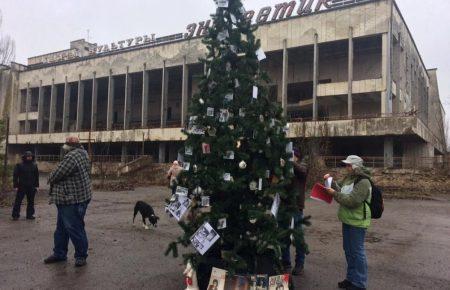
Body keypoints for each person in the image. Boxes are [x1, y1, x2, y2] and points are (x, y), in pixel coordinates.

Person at [323, 155, 372, 290]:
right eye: (346, 165)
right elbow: (341, 191)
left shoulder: (364, 182)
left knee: (357, 252)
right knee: (349, 251)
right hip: (347, 220)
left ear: (356, 167)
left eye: (349, 165)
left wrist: (333, 193)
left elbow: (352, 201)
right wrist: (331, 182)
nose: (346, 167)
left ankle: (359, 283)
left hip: (357, 222)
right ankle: (351, 279)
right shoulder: (349, 179)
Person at [44, 136, 92, 267]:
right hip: (72, 198)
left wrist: (51, 175)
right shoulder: (83, 153)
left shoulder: (71, 157)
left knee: (74, 227)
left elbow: (55, 175)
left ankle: (81, 255)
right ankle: (59, 253)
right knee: (61, 228)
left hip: (71, 199)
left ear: (69, 146)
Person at [282, 148, 309, 275]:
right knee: (284, 236)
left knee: (298, 237)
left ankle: (300, 264)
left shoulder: (302, 166)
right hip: (284, 207)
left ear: (297, 157)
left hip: (296, 207)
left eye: (293, 156)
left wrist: (290, 161)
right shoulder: (285, 168)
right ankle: (286, 263)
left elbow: (303, 172)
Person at [11, 151, 39, 220]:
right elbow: (15, 176)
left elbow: (36, 176)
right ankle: (15, 215)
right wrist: (15, 186)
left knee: (31, 201)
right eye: (28, 156)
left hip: (31, 187)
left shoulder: (34, 165)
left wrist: (37, 186)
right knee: (18, 201)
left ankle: (29, 215)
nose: (29, 157)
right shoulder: (19, 165)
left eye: (30, 156)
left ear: (32, 157)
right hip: (21, 186)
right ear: (25, 157)